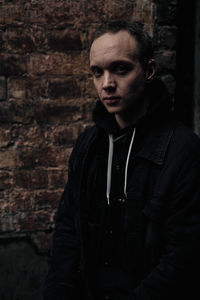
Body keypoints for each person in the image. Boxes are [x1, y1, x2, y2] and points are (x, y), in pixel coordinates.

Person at [43, 20, 200, 300]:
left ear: (149, 71)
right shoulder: (87, 146)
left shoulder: (183, 149)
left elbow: (182, 258)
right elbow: (68, 234)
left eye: (120, 69)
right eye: (97, 72)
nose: (107, 84)